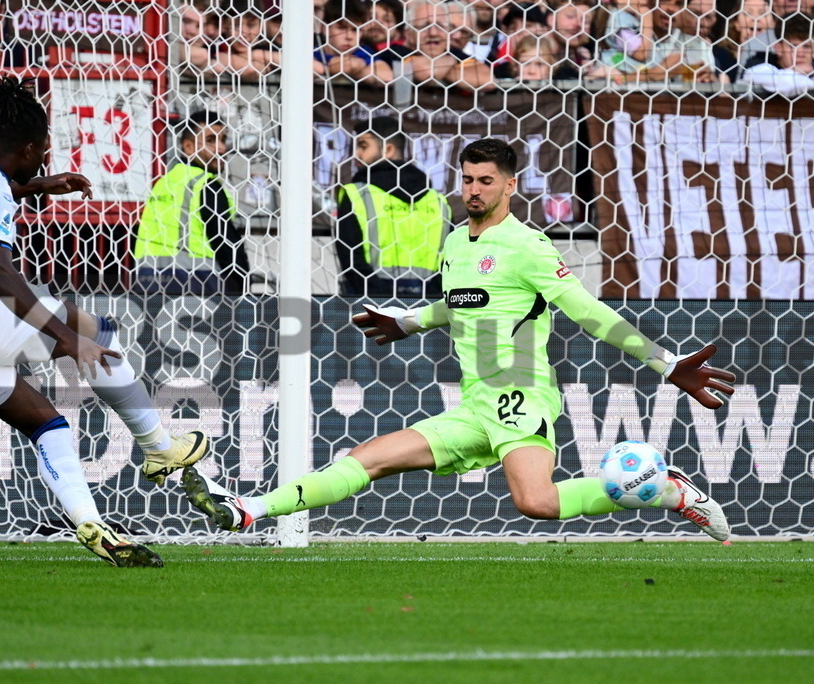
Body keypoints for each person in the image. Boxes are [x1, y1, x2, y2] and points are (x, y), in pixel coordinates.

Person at [181, 138, 737, 542]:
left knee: (536, 503)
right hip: (473, 403)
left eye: (485, 181)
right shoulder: (454, 242)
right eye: (467, 180)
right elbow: (465, 302)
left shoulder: (528, 246)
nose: (473, 190)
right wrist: (409, 322)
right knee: (366, 459)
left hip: (522, 396)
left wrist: (666, 364)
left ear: (511, 184)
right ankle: (248, 509)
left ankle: (666, 488)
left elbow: (587, 312)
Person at [0, 76, 209, 567]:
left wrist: (37, 186)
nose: (43, 159)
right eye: (42, 154)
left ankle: (90, 523)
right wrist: (67, 341)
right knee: (95, 332)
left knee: (46, 424)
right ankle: (159, 446)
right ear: (29, 146)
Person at [132, 110, 251, 295]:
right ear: (188, 147)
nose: (221, 149)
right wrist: (243, 282)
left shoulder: (164, 182)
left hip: (148, 278)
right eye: (211, 140)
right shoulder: (204, 183)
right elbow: (224, 239)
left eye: (223, 140)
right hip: (196, 279)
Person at [336, 116, 451, 298]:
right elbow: (449, 263)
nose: (356, 154)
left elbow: (351, 260)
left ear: (388, 149)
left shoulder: (356, 194)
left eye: (363, 146)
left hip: (370, 305)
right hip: (428, 307)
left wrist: (378, 299)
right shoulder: (437, 201)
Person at [404, 0, 496, 90]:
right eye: (425, 26)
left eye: (439, 26)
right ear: (409, 34)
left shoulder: (454, 53)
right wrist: (452, 63)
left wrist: (445, 65)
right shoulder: (398, 51)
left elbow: (487, 80)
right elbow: (426, 73)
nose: (433, 33)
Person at [742, 13, 814, 93]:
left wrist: (813, 69)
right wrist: (809, 80)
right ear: (778, 48)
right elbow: (781, 83)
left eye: (806, 46)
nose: (800, 53)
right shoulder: (759, 62)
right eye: (793, 46)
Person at [313, 0, 393, 84]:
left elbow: (387, 76)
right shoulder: (313, 51)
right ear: (325, 28)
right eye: (342, 28)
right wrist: (330, 68)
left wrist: (354, 69)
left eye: (355, 30)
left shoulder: (363, 53)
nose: (349, 36)